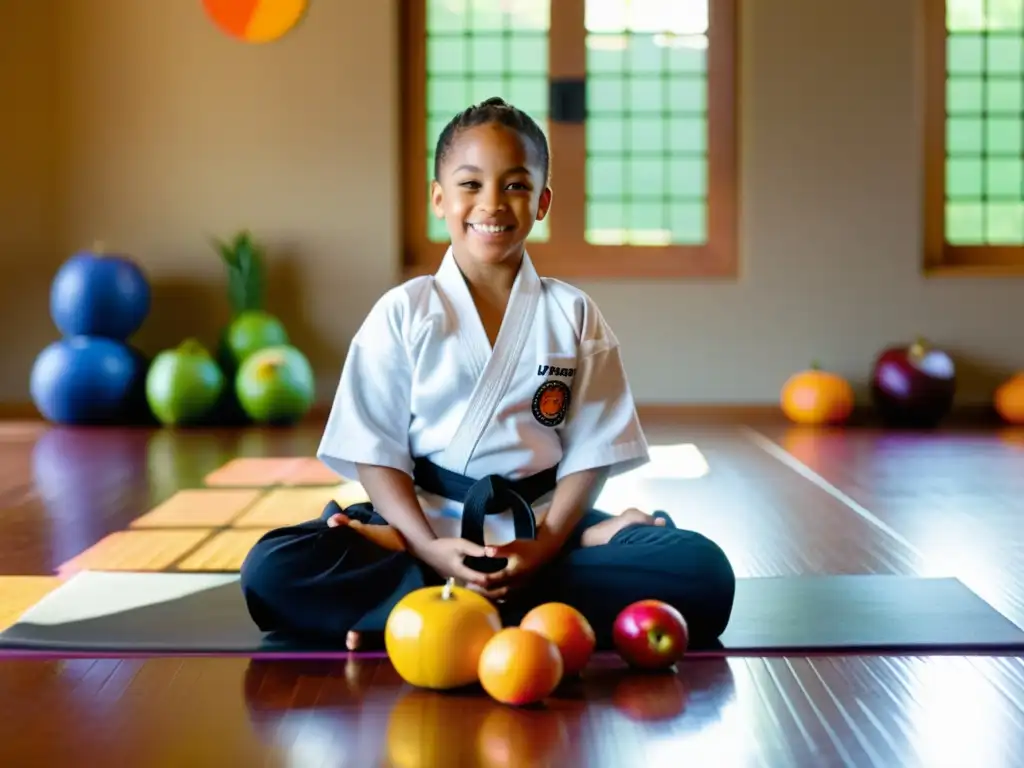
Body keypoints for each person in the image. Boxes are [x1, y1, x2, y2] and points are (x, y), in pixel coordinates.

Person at [240, 97, 736, 652]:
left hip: (541, 531)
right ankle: (528, 608)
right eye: (470, 184)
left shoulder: (572, 313)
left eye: (516, 185)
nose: (492, 203)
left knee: (703, 571)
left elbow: (592, 453)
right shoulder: (403, 311)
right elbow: (374, 451)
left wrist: (546, 545)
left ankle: (428, 610)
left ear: (543, 201)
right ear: (439, 197)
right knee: (271, 569)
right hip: (418, 525)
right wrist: (426, 545)